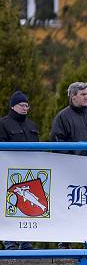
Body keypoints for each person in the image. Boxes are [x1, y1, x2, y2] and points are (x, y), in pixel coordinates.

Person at [51, 82, 87, 249]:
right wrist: (71, 162)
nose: (86, 97)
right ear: (73, 96)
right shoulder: (62, 117)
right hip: (71, 171)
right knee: (68, 206)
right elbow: (57, 143)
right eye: (83, 94)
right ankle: (64, 241)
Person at [0, 91, 38, 250]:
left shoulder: (32, 125)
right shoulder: (3, 124)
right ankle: (9, 241)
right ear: (12, 106)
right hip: (9, 174)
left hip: (29, 174)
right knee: (9, 207)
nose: (25, 108)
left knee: (27, 208)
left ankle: (26, 240)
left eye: (27, 105)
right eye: (21, 105)